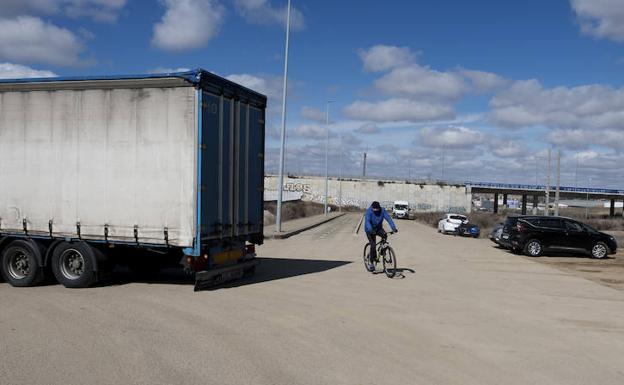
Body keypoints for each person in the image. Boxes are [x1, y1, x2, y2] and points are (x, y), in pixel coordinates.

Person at [365, 201, 397, 269]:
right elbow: (367, 221)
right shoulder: (369, 211)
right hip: (369, 229)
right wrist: (370, 230)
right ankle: (371, 263)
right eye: (374, 209)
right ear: (372, 208)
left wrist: (393, 228)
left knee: (385, 235)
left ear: (379, 208)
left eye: (377, 209)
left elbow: (388, 218)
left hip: (378, 228)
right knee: (373, 245)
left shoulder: (382, 210)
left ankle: (383, 250)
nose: (376, 210)